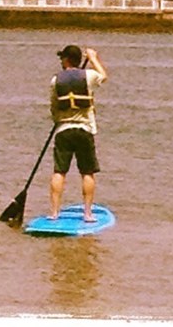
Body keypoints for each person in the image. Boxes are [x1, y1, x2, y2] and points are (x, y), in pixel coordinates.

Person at [49, 45, 108, 222]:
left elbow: (54, 108)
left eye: (62, 58)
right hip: (85, 129)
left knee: (59, 171)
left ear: (67, 60)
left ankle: (54, 213)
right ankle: (88, 214)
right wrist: (94, 58)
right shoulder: (88, 76)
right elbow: (103, 77)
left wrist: (58, 120)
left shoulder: (55, 80)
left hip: (63, 131)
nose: (61, 61)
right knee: (87, 172)